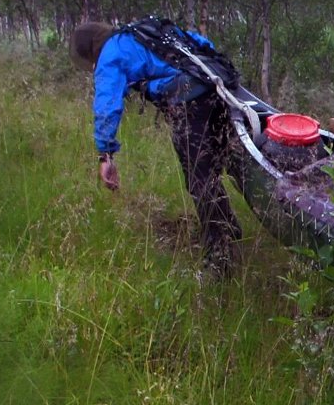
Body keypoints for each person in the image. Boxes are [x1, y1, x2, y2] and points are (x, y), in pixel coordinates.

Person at [70, 19, 242, 277]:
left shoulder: (110, 54)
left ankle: (220, 259)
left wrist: (105, 154)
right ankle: (227, 228)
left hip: (190, 101)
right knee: (221, 165)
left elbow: (107, 105)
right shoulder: (141, 33)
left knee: (200, 178)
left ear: (90, 50)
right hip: (216, 87)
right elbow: (201, 43)